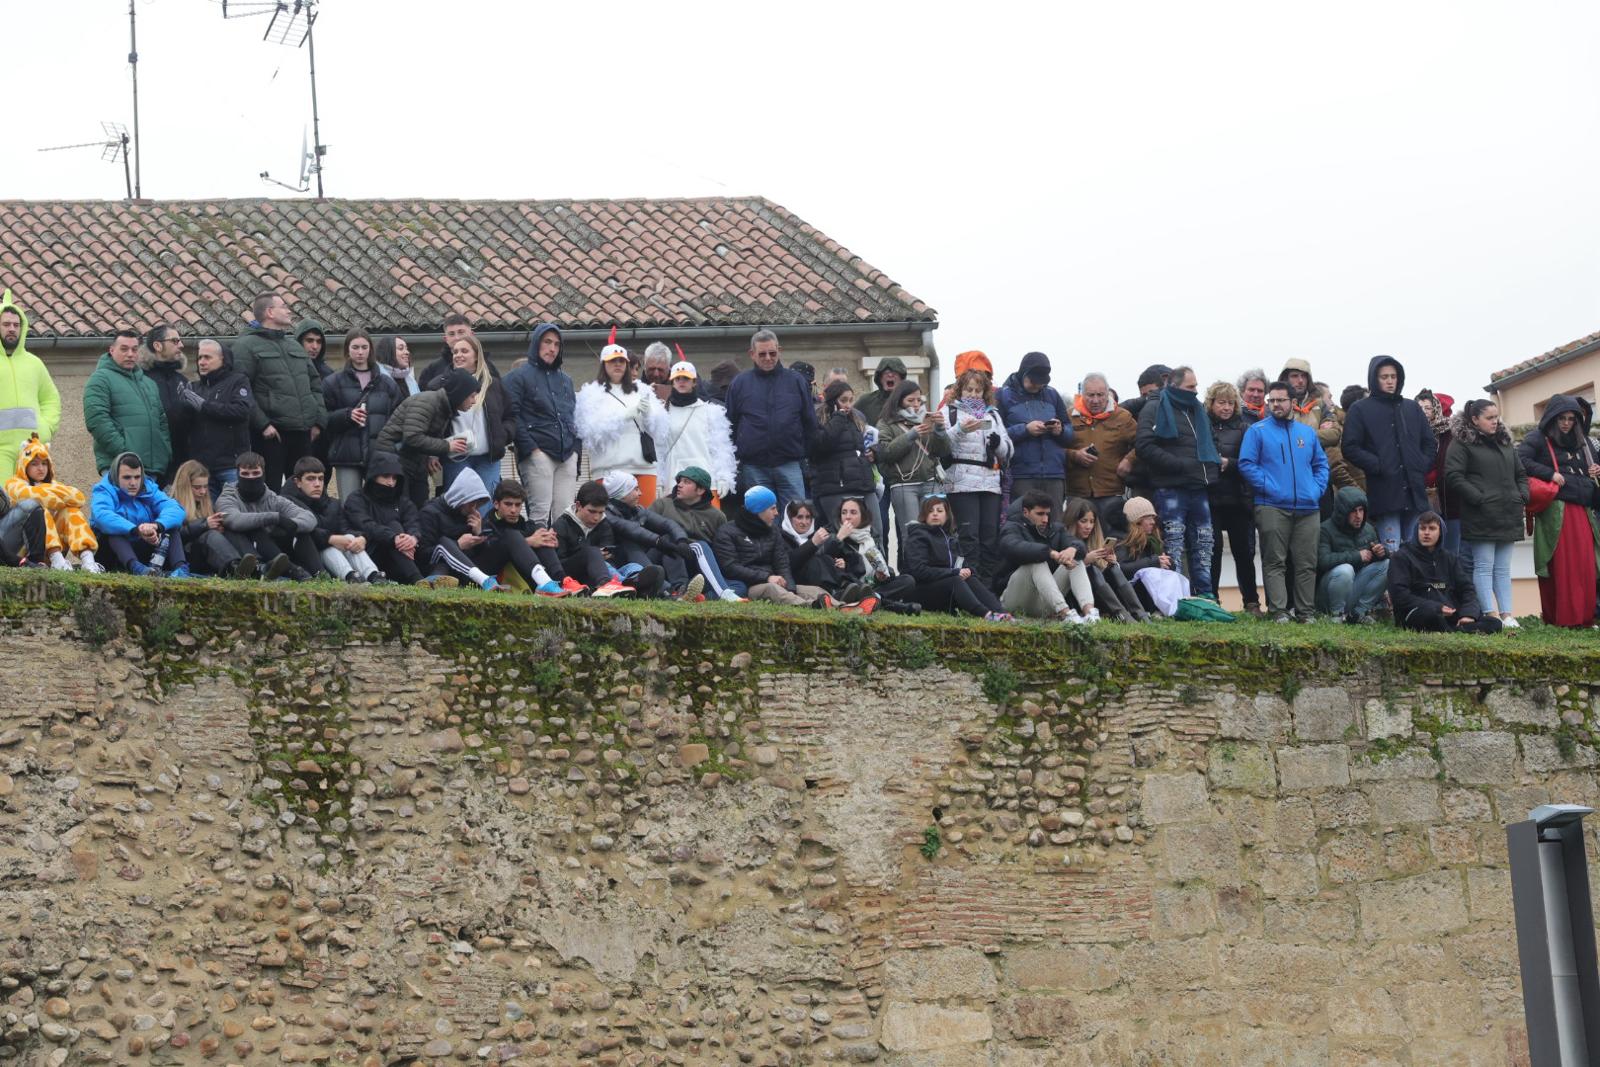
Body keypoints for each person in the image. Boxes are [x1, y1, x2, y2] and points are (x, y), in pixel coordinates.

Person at [1238, 380, 1329, 623]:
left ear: (1293, 403)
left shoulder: (1307, 433)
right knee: (1274, 561)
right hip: (1272, 506)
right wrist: (1270, 488)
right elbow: (1246, 464)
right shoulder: (1257, 431)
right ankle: (1279, 611)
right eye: (1272, 400)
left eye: (1281, 400)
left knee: (1306, 563)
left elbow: (1321, 464)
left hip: (1308, 507)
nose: (1276, 404)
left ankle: (1305, 612)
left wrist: (1316, 489)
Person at [1134, 365, 1219, 597]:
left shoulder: (1197, 410)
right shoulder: (1155, 407)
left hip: (1199, 485)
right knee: (1173, 543)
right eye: (1190, 387)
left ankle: (1205, 595)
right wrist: (1177, 464)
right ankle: (1175, 597)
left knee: (1203, 544)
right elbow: (1143, 445)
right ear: (1174, 385)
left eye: (1196, 386)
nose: (1195, 391)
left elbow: (1212, 441)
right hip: (1170, 487)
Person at [1517, 394, 1600, 628]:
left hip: (1583, 509)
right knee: (1564, 567)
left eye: (1571, 419)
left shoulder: (1582, 442)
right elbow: (1520, 460)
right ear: (1553, 418)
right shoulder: (1538, 438)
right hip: (1558, 511)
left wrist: (1594, 469)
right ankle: (1565, 618)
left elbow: (1588, 470)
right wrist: (1549, 474)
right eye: (1562, 418)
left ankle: (1584, 617)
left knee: (1585, 566)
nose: (1566, 423)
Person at [1444, 399, 1528, 628]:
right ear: (1474, 419)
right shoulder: (1461, 443)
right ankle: (1489, 613)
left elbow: (1520, 473)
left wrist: (1522, 495)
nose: (1495, 421)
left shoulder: (1505, 442)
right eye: (1489, 417)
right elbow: (1453, 476)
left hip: (1508, 512)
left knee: (1502, 567)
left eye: (1496, 417)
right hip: (1480, 514)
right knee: (1483, 565)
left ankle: (1507, 614)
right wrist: (1478, 498)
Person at [1341, 356, 1437, 554]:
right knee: (1391, 553)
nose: (1390, 381)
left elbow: (1429, 443)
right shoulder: (1360, 409)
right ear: (1374, 378)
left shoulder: (1411, 408)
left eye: (1393, 376)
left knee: (1416, 552)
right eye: (1384, 376)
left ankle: (1414, 586)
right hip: (1385, 493)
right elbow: (1350, 447)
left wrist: (1420, 465)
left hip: (1414, 493)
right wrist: (1378, 465)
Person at [233, 293, 327, 489]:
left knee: (305, 492)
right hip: (271, 435)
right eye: (283, 306)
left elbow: (315, 384)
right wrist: (263, 424)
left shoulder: (293, 345)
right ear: (269, 312)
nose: (288, 310)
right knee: (272, 491)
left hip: (303, 433)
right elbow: (241, 389)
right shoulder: (245, 346)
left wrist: (318, 421)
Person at [724, 330, 818, 514]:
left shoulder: (796, 381)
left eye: (772, 353)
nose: (768, 358)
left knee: (797, 518)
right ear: (752, 354)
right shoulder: (739, 384)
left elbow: (809, 422)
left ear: (779, 351)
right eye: (762, 354)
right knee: (760, 521)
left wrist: (805, 456)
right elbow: (730, 424)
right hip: (754, 466)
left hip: (790, 463)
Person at [575, 340, 668, 507]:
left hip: (643, 466)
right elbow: (590, 431)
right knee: (611, 520)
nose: (617, 365)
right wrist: (625, 415)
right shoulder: (591, 393)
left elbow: (660, 430)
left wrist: (648, 414)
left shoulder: (642, 389)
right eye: (612, 361)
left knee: (646, 519)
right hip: (609, 468)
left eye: (621, 361)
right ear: (604, 364)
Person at [941, 370, 1012, 584]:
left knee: (989, 537)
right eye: (968, 389)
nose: (973, 394)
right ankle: (971, 585)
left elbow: (1009, 452)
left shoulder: (993, 415)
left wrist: (998, 444)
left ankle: (987, 588)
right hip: (961, 483)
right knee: (968, 536)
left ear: (984, 393)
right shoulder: (949, 412)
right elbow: (940, 445)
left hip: (990, 482)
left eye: (978, 390)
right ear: (960, 390)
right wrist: (960, 429)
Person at [504, 323, 579, 527]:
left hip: (567, 455)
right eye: (547, 342)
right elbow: (512, 415)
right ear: (536, 344)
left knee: (566, 517)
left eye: (556, 344)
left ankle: (562, 558)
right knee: (539, 515)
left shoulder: (566, 380)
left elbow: (575, 417)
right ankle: (540, 559)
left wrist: (575, 452)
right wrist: (532, 449)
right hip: (538, 453)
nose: (552, 348)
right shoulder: (517, 377)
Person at [373, 369, 481, 509]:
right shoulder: (427, 401)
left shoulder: (445, 407)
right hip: (393, 461)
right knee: (400, 508)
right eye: (471, 396)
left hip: (411, 461)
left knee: (419, 507)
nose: (474, 401)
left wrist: (432, 455)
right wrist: (447, 446)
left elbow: (424, 436)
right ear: (460, 393)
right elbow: (412, 437)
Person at [712, 485, 836, 607]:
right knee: (773, 590)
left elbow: (782, 563)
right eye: (772, 508)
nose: (776, 513)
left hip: (775, 581)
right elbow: (730, 567)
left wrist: (790, 588)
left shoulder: (773, 531)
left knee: (815, 591)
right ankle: (811, 607)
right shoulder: (727, 532)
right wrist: (767, 577)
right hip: (748, 585)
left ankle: (844, 607)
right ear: (759, 510)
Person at [322, 329, 404, 501]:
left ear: (370, 350)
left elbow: (399, 418)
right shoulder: (332, 382)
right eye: (355, 347)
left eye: (364, 347)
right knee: (349, 504)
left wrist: (392, 447)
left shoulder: (387, 383)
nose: (360, 352)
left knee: (380, 505)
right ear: (347, 350)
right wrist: (346, 415)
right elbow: (322, 418)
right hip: (347, 454)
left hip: (379, 454)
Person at [993, 491, 1098, 624]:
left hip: (1044, 601)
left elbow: (1078, 546)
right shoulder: (1011, 528)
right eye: (1040, 514)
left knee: (1075, 560)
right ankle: (1066, 614)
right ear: (1025, 512)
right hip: (1013, 598)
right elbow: (1015, 547)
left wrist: (1073, 549)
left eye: (1047, 514)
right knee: (1037, 562)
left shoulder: (1056, 529)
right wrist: (1050, 553)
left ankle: (1090, 614)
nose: (1045, 519)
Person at [1388, 512, 1502, 633]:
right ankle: (1457, 631)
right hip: (1418, 613)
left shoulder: (1449, 558)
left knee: (1494, 623)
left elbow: (1467, 589)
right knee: (1431, 616)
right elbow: (1400, 595)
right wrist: (1437, 607)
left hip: (1451, 613)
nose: (1426, 533)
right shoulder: (1401, 557)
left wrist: (1468, 614)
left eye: (1432, 528)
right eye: (1422, 528)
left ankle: (1456, 629)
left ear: (1440, 532)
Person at [83, 329, 172, 483]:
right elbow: (97, 421)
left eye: (134, 349)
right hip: (119, 467)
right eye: (124, 349)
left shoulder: (149, 384)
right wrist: (125, 454)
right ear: (111, 350)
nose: (130, 354)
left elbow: (162, 422)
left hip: (151, 468)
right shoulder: (100, 379)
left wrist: (164, 451)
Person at [902, 494, 1010, 619]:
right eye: (930, 511)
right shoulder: (918, 537)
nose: (935, 514)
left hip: (945, 590)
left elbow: (962, 564)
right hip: (920, 591)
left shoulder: (952, 539)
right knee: (956, 579)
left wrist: (968, 571)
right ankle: (986, 615)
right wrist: (954, 572)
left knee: (969, 578)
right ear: (924, 516)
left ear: (947, 515)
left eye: (940, 510)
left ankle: (1003, 613)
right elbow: (919, 571)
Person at [214, 451, 319, 579]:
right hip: (245, 552)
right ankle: (291, 570)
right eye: (245, 474)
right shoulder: (227, 498)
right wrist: (274, 518)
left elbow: (309, 518)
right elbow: (234, 520)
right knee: (251, 529)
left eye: (256, 473)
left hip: (276, 549)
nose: (251, 477)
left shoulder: (274, 499)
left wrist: (291, 524)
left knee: (301, 533)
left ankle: (320, 575)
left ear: (263, 473)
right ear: (237, 475)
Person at [877, 379, 951, 559]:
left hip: (931, 481)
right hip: (903, 485)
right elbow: (885, 452)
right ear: (899, 400)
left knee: (936, 530)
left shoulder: (928, 418)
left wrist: (940, 430)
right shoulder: (886, 422)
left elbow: (943, 451)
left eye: (919, 400)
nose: (916, 405)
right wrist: (911, 435)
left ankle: (938, 573)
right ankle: (914, 578)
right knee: (912, 534)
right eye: (911, 400)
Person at [282, 457, 388, 583]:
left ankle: (374, 575)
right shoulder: (287, 503)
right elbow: (301, 532)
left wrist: (361, 538)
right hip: (307, 561)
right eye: (310, 479)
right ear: (298, 482)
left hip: (335, 558)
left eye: (320, 479)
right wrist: (330, 539)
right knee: (328, 546)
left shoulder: (333, 504)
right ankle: (350, 577)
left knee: (350, 537)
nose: (317, 484)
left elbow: (345, 528)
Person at [602, 470, 704, 599]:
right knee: (629, 543)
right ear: (622, 494)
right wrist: (659, 542)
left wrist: (681, 541)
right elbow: (632, 530)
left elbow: (667, 523)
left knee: (669, 538)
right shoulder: (606, 514)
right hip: (620, 567)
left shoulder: (637, 510)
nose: (641, 493)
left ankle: (680, 588)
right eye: (636, 489)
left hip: (643, 563)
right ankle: (667, 591)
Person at [4, 435, 99, 572]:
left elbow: (79, 498)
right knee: (41, 509)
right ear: (24, 465)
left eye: (44, 463)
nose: (41, 468)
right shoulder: (13, 484)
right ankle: (56, 560)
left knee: (72, 511)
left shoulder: (53, 485)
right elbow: (34, 497)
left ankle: (88, 560)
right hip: (22, 551)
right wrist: (55, 494)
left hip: (50, 549)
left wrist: (45, 489)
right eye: (34, 463)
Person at [438, 335, 514, 502]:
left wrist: (502, 436)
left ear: (477, 356)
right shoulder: (441, 384)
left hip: (488, 459)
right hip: (456, 458)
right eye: (455, 351)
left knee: (486, 506)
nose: (458, 355)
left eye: (464, 351)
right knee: (459, 506)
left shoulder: (493, 384)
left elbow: (510, 416)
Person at [1204, 380, 1258, 613]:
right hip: (1211, 498)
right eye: (1221, 403)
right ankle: (1212, 600)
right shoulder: (1203, 425)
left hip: (1238, 498)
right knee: (1213, 551)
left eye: (1230, 403)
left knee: (1244, 552)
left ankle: (1252, 601)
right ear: (1212, 403)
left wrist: (1230, 464)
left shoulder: (1245, 428)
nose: (1226, 407)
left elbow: (1251, 461)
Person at [89, 452, 190, 577]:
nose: (133, 483)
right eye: (127, 477)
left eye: (137, 477)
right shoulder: (103, 489)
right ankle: (136, 568)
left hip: (144, 546)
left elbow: (176, 509)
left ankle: (181, 571)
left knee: (171, 526)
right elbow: (102, 516)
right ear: (116, 476)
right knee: (112, 531)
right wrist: (136, 530)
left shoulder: (149, 488)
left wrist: (157, 526)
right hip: (111, 554)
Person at [997, 352, 1072, 513]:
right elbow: (997, 434)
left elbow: (1070, 433)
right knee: (1023, 524)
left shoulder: (1053, 395)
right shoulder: (1003, 396)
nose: (1037, 386)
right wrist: (1025, 430)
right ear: (1023, 373)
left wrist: (1060, 430)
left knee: (1055, 526)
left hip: (1054, 474)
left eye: (1041, 383)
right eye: (1033, 382)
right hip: (1022, 475)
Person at [652, 467, 741, 601]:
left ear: (700, 490)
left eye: (686, 482)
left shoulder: (717, 516)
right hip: (668, 560)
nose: (679, 485)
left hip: (699, 568)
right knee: (699, 545)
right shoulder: (662, 504)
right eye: (679, 481)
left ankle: (696, 598)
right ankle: (722, 593)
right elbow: (645, 532)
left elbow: (722, 549)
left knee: (740, 586)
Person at [485, 480, 588, 596]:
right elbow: (490, 552)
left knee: (541, 531)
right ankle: (547, 584)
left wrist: (554, 544)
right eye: (508, 504)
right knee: (513, 535)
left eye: (518, 505)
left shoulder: (526, 526)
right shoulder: (486, 526)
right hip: (495, 575)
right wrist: (528, 542)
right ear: (496, 504)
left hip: (525, 574)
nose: (513, 510)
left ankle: (562, 581)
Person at [1065, 372, 1136, 536]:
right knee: (1077, 541)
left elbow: (1144, 443)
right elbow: (1054, 450)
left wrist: (1129, 460)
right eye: (1090, 395)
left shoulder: (1122, 417)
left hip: (1111, 493)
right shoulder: (1069, 417)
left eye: (1100, 395)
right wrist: (1075, 455)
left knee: (1111, 540)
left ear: (1107, 393)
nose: (1095, 400)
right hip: (1077, 494)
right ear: (1082, 395)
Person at [0, 291, 61, 479]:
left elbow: (50, 399)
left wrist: (46, 427)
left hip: (32, 451)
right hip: (1, 451)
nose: (12, 329)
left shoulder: (34, 363)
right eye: (6, 324)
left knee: (35, 504)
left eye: (16, 325)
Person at [182, 340, 254, 500]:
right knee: (208, 516)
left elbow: (242, 411)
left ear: (223, 359)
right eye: (199, 358)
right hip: (201, 468)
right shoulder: (194, 387)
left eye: (207, 357)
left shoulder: (238, 381)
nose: (201, 362)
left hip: (230, 464)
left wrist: (204, 406)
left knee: (235, 512)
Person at [656, 360, 736, 501]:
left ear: (694, 382)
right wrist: (659, 481)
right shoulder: (662, 412)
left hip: (705, 484)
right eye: (677, 378)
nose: (681, 382)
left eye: (686, 378)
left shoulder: (711, 412)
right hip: (674, 483)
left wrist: (723, 477)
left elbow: (721, 448)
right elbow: (659, 450)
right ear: (672, 382)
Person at [1061, 498, 1150, 622]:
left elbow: (1102, 578)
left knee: (1113, 569)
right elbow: (1059, 574)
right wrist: (1086, 561)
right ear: (1073, 521)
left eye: (1092, 522)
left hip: (1097, 597)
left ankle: (1140, 614)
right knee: (1091, 569)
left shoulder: (1093, 540)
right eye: (1083, 521)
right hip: (1072, 597)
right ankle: (1121, 615)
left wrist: (1111, 562)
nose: (1088, 526)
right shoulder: (1062, 539)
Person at [342, 451, 425, 585]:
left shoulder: (403, 502)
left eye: (394, 478)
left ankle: (421, 578)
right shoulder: (357, 499)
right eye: (386, 476)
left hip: (400, 559)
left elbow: (413, 522)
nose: (391, 483)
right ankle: (417, 579)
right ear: (373, 476)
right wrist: (393, 538)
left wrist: (412, 538)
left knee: (402, 532)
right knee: (394, 526)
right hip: (369, 554)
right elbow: (365, 525)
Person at [553, 480, 644, 598]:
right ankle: (612, 584)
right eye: (592, 511)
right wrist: (592, 556)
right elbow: (559, 562)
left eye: (601, 512)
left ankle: (634, 580)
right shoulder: (561, 525)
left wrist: (605, 557)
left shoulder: (604, 523)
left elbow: (609, 557)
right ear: (578, 505)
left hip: (602, 570)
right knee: (592, 552)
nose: (596, 517)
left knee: (634, 566)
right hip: (572, 576)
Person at [1316, 487, 1390, 624]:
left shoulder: (1368, 529)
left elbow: (1372, 560)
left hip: (1355, 588)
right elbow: (1323, 561)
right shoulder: (1325, 529)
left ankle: (1358, 613)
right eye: (1353, 511)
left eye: (1361, 510)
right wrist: (1357, 556)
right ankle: (1335, 615)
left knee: (1387, 565)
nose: (1358, 516)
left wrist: (1381, 553)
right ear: (1342, 512)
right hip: (1329, 593)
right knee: (1345, 570)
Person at [810, 379, 878, 527]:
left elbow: (863, 446)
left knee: (876, 530)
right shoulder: (818, 418)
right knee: (842, 536)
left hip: (863, 484)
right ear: (833, 401)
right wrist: (838, 417)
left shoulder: (856, 418)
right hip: (835, 487)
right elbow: (821, 445)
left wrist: (875, 452)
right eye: (843, 400)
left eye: (851, 400)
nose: (848, 405)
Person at [1114, 495, 1190, 615]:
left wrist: (1167, 563)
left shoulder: (1153, 540)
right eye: (1148, 518)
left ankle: (1170, 609)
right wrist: (1153, 562)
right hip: (1132, 594)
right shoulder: (1123, 540)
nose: (1153, 522)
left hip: (1149, 595)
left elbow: (1162, 565)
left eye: (1153, 518)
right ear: (1136, 520)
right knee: (1150, 573)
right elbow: (1121, 569)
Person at [138, 324, 192, 475]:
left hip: (182, 462)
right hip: (151, 462)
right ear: (157, 346)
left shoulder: (182, 380)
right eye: (174, 341)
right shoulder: (141, 380)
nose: (181, 345)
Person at [1416, 390, 1461, 554]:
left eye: (1427, 408)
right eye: (1419, 408)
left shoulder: (1450, 433)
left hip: (1448, 500)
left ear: (1436, 409)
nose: (1424, 412)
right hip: (1421, 499)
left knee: (1451, 552)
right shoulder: (1411, 433)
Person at [417, 313, 501, 388]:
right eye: (452, 334)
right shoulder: (432, 370)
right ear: (446, 339)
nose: (457, 338)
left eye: (461, 332)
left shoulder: (488, 368)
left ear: (472, 335)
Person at [1278, 358, 1333, 427]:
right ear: (1285, 379)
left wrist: (1308, 436)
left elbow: (1334, 432)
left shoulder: (1319, 404)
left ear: (1308, 379)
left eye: (1303, 376)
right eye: (1295, 376)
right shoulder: (1276, 404)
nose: (1300, 380)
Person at [855, 357, 908, 428]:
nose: (890, 375)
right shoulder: (866, 401)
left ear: (901, 378)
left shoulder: (909, 401)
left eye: (895, 372)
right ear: (879, 377)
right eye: (886, 372)